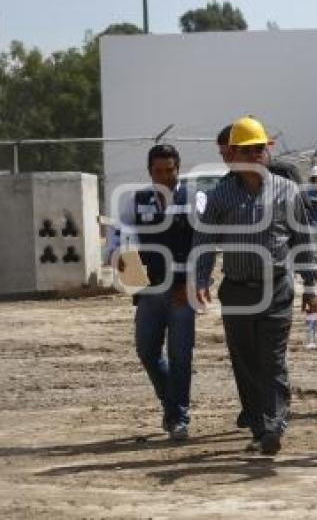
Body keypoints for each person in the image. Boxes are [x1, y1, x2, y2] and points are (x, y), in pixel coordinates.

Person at [193, 116, 317, 456]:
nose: (254, 156)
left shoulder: (287, 190)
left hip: (276, 287)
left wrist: (311, 285)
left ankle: (275, 423)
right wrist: (201, 278)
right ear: (233, 154)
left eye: (259, 149)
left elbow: (302, 239)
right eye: (246, 150)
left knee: (272, 358)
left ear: (268, 150)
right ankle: (260, 426)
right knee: (246, 362)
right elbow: (204, 241)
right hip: (236, 290)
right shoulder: (220, 195)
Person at [112, 144, 197, 441]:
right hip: (150, 292)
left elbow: (203, 245)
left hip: (182, 293)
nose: (164, 176)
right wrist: (127, 270)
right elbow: (121, 238)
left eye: (169, 170)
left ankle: (178, 417)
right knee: (147, 351)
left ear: (178, 169)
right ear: (150, 172)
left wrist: (191, 283)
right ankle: (171, 404)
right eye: (158, 171)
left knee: (180, 356)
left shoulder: (193, 199)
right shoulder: (135, 201)